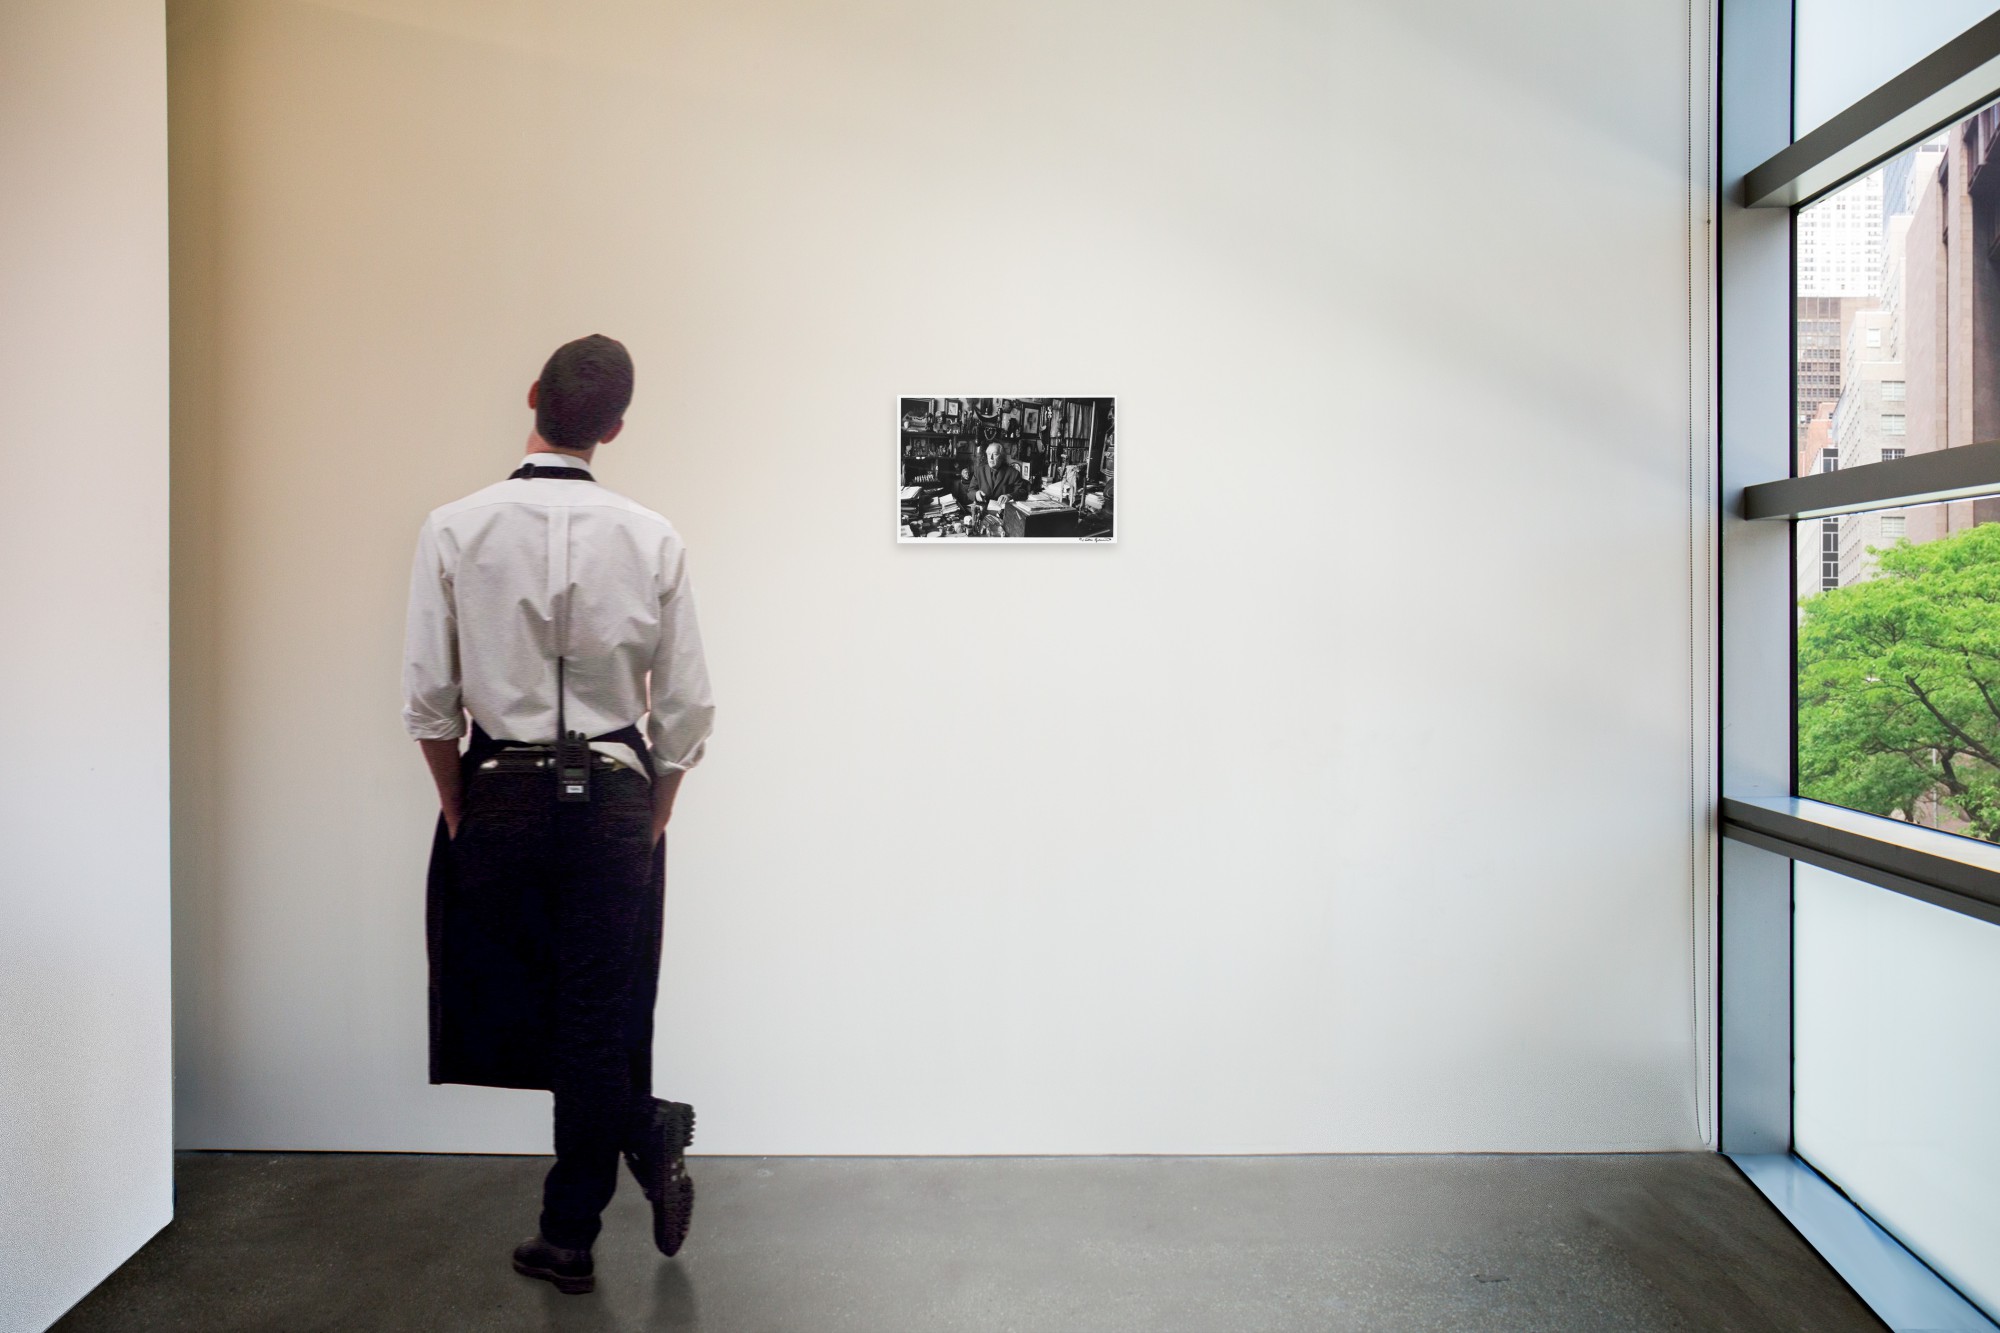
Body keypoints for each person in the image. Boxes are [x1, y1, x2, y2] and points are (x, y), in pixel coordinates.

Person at [402, 334, 715, 1295]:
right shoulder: (652, 535)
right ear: (615, 428)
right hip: (618, 800)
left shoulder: (454, 527)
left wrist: (457, 798)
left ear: (532, 394)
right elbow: (688, 707)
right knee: (591, 1012)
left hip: (499, 791)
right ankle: (605, 1176)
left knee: (519, 995)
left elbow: (428, 693)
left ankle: (574, 1227)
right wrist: (656, 807)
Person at [960, 438, 1029, 513]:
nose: (991, 458)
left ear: (1002, 457)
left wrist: (1009, 496)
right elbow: (970, 492)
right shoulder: (979, 470)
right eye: (989, 454)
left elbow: (1023, 492)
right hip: (983, 511)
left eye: (995, 454)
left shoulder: (1013, 473)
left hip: (1003, 513)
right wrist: (976, 494)